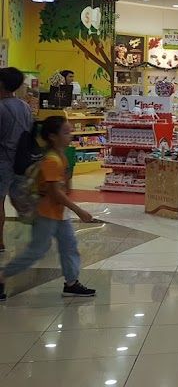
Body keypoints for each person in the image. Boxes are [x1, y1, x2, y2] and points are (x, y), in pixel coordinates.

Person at [0, 116, 97, 301]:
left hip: (59, 213)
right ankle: (2, 276)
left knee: (69, 246)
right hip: (46, 213)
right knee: (36, 251)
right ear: (53, 136)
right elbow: (55, 193)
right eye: (66, 132)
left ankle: (71, 283)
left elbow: (63, 186)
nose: (71, 135)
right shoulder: (51, 160)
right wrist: (78, 210)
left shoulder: (61, 155)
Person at [0, 67, 33, 254]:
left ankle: (0, 242)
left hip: (2, 161)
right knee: (19, 200)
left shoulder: (1, 107)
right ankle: (39, 233)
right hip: (21, 161)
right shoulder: (24, 106)